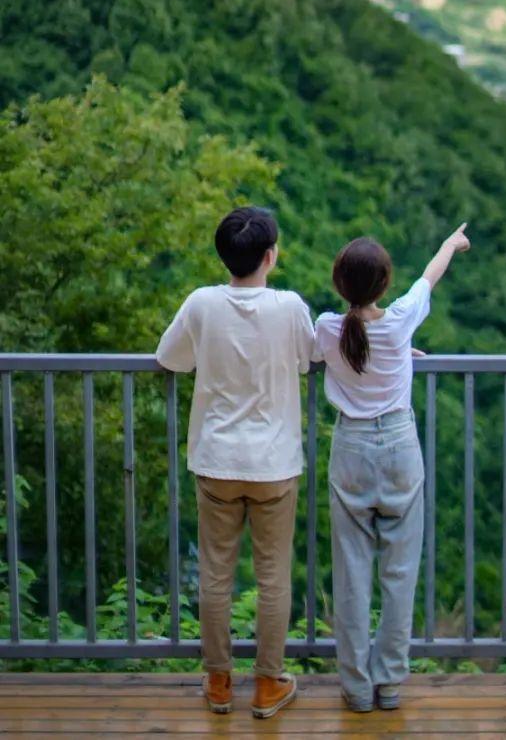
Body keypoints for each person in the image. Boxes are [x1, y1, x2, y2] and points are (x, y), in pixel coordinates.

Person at [156, 206, 315, 721]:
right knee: (273, 575)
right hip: (274, 464)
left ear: (224, 256)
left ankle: (219, 680)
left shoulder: (202, 303)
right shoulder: (290, 307)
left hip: (217, 460)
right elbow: (309, 359)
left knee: (216, 573)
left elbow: (169, 358)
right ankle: (269, 684)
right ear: (271, 257)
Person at [316, 222, 470, 713]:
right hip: (400, 447)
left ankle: (357, 689)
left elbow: (337, 349)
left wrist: (396, 353)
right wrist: (450, 243)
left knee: (353, 574)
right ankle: (390, 684)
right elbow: (430, 276)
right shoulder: (400, 320)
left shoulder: (326, 328)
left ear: (340, 286)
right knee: (400, 573)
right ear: (384, 285)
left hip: (352, 451)